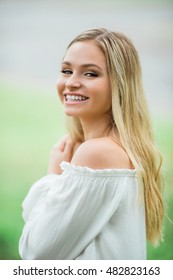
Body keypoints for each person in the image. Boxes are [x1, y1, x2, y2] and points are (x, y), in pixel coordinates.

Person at [19, 28, 164, 260]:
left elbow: (37, 253)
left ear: (120, 84)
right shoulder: (119, 147)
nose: (71, 83)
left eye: (90, 74)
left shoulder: (97, 153)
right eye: (66, 70)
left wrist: (52, 177)